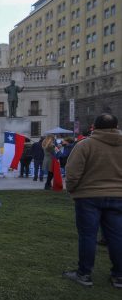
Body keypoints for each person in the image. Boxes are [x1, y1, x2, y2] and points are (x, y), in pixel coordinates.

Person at [62, 113, 122, 288]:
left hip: (88, 197)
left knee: (88, 236)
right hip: (118, 196)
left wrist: (72, 189)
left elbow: (72, 173)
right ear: (116, 126)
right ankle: (119, 276)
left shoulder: (85, 145)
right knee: (117, 236)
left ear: (93, 127)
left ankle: (84, 273)